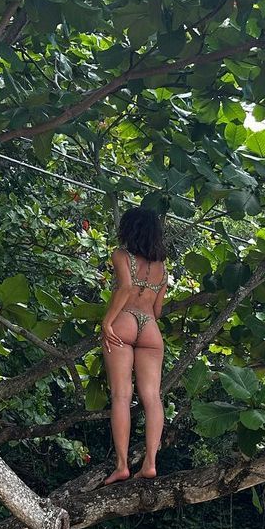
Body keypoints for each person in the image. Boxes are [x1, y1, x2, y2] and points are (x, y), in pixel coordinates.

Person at [100, 206, 168, 484]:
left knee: (121, 395)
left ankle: (122, 465)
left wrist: (107, 322)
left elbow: (126, 288)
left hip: (124, 322)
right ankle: (150, 462)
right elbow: (158, 310)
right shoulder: (162, 269)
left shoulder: (121, 255)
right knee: (152, 397)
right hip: (150, 329)